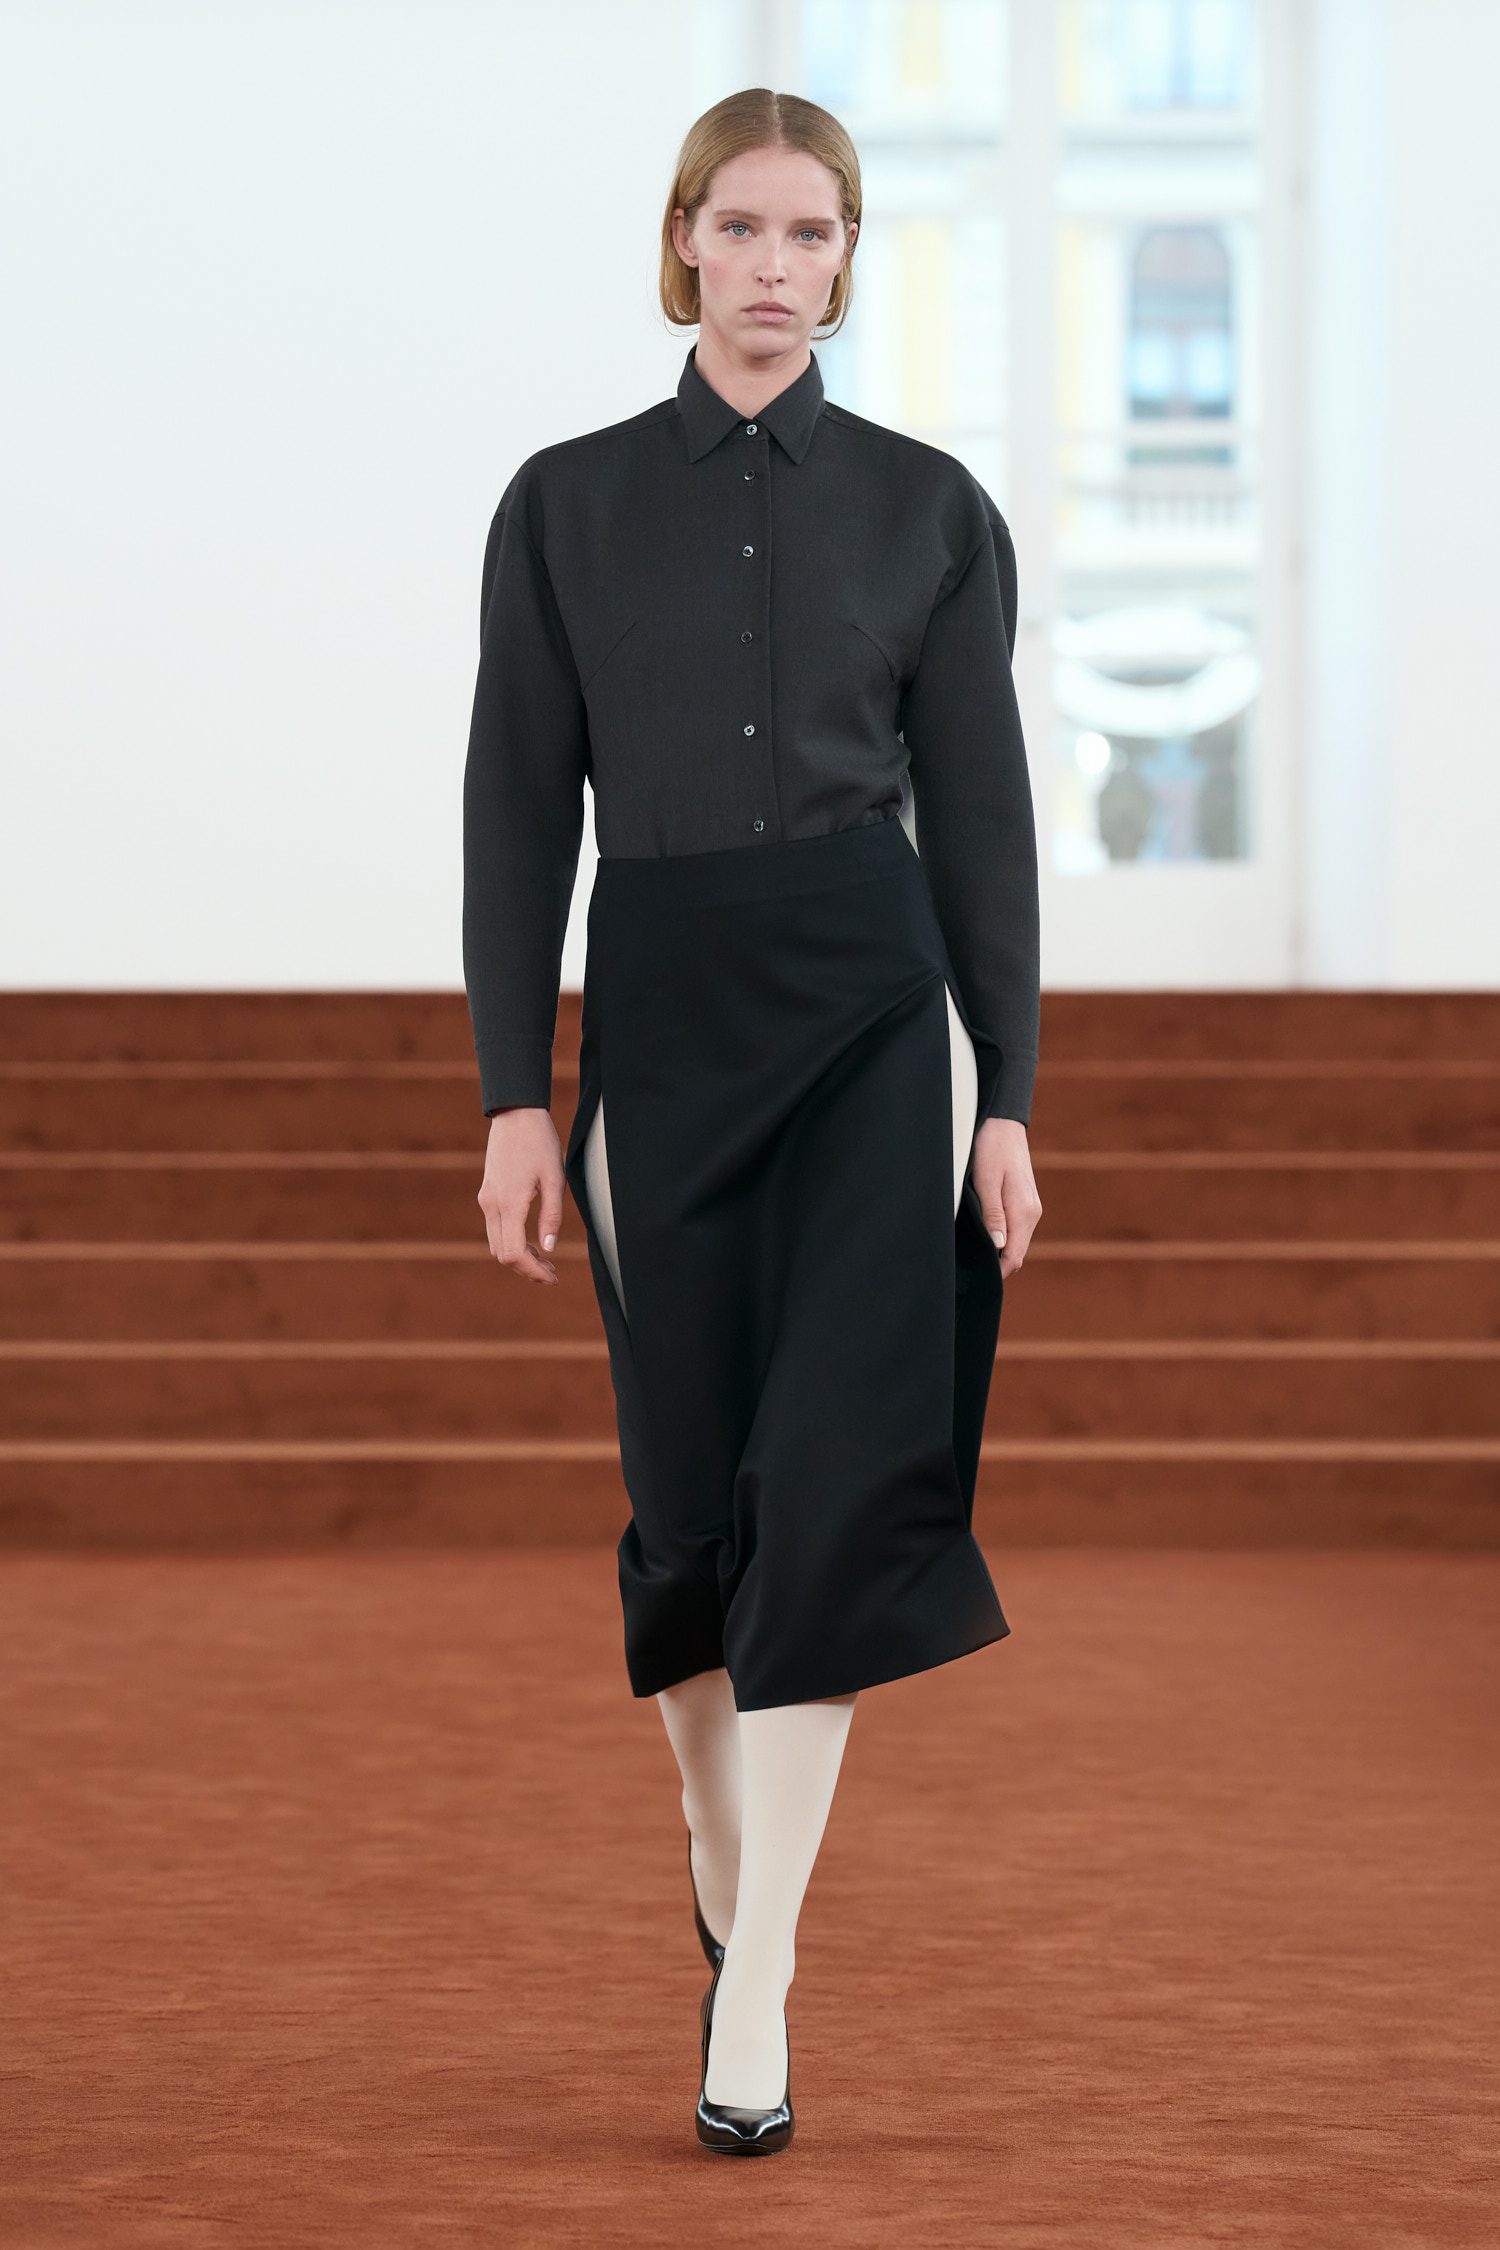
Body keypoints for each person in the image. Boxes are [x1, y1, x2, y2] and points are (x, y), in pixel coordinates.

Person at [461, 87, 1043, 2155]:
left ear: (849, 257)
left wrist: (1006, 1091)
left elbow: (983, 822)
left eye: (816, 232)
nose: (779, 266)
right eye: (745, 227)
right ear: (686, 242)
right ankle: (726, 1862)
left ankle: (765, 1969)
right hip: (666, 1025)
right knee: (693, 1507)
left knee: (837, 1485)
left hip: (876, 1025)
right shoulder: (561, 507)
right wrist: (513, 1094)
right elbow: (516, 813)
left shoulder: (931, 510)